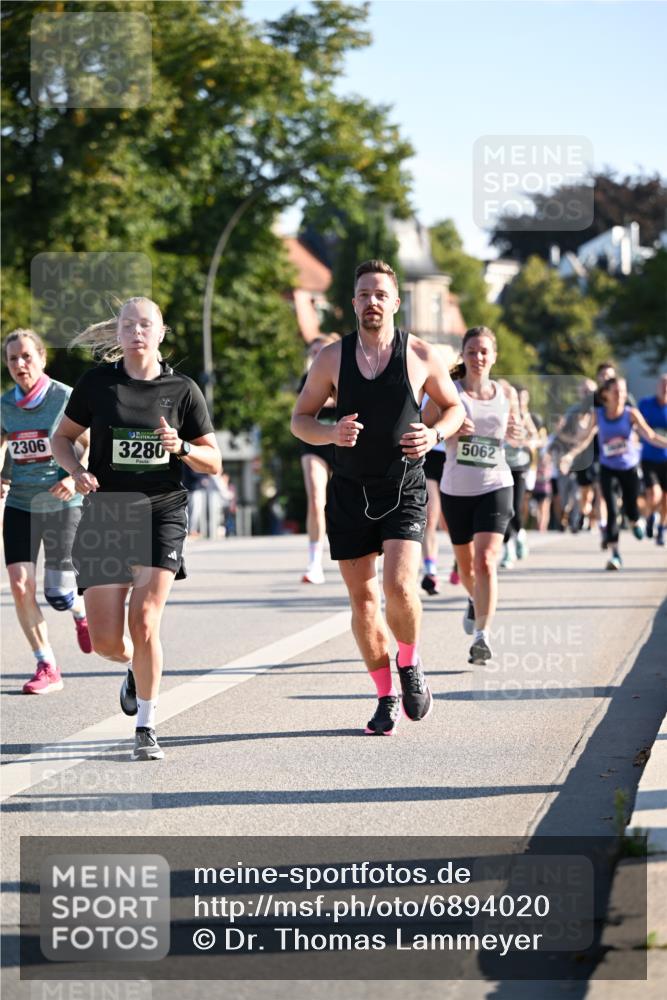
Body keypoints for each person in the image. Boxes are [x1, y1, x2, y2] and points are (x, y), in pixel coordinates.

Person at [291, 259, 464, 735]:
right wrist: (331, 432)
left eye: (380, 294)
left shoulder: (421, 355)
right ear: (353, 302)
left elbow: (452, 408)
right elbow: (300, 420)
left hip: (403, 486)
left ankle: (409, 663)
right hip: (348, 491)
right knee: (364, 603)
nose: (372, 302)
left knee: (400, 588)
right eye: (364, 294)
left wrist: (433, 436)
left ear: (395, 302)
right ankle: (385, 696)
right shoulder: (331, 358)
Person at [52, 297, 221, 760]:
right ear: (119, 332)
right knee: (108, 641)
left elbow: (214, 461)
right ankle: (131, 667)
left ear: (161, 333)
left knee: (145, 620)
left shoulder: (183, 390)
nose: (137, 332)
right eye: (129, 325)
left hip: (161, 510)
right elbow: (61, 439)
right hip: (106, 513)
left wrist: (181, 446)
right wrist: (77, 470)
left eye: (146, 325)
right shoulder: (97, 384)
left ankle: (146, 725)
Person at [1, 329, 92, 693]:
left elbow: (91, 443)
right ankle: (46, 665)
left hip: (62, 503)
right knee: (21, 584)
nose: (20, 364)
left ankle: (79, 612)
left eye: (26, 356)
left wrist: (75, 476)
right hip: (21, 503)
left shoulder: (65, 397)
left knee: (58, 596)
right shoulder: (6, 405)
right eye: (12, 359)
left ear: (41, 357)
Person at [436, 327, 522, 665]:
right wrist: (450, 428)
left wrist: (517, 432)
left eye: (484, 351)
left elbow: (517, 432)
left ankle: (482, 635)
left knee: (486, 560)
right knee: (467, 566)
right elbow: (429, 427)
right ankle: (474, 599)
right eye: (472, 351)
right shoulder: (450, 392)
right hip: (456, 489)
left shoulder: (506, 393)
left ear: (494, 356)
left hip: (496, 483)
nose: (478, 358)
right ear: (463, 355)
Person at [561, 376, 667, 570]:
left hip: (629, 468)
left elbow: (650, 435)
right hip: (608, 468)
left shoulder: (631, 414)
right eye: (616, 392)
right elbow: (585, 440)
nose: (621, 396)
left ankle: (635, 520)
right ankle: (615, 554)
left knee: (630, 507)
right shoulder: (599, 414)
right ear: (606, 394)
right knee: (610, 508)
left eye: (623, 392)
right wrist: (569, 456)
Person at [297, 335, 339, 584]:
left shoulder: (349, 372)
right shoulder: (308, 379)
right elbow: (304, 409)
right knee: (315, 499)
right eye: (312, 352)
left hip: (344, 443)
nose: (316, 355)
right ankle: (314, 564)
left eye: (320, 350)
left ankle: (368, 555)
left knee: (353, 500)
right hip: (314, 444)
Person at [497, 380, 536, 568]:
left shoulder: (522, 417)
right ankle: (508, 551)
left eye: (509, 396)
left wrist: (524, 441)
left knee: (515, 510)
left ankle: (519, 535)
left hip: (518, 467)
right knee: (503, 510)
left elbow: (535, 438)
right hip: (498, 467)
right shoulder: (493, 415)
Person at [639, 373, 667, 546]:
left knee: (666, 499)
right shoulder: (645, 404)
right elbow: (638, 427)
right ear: (657, 386)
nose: (665, 387)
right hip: (649, 457)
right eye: (662, 384)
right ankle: (650, 517)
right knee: (654, 495)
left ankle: (661, 529)